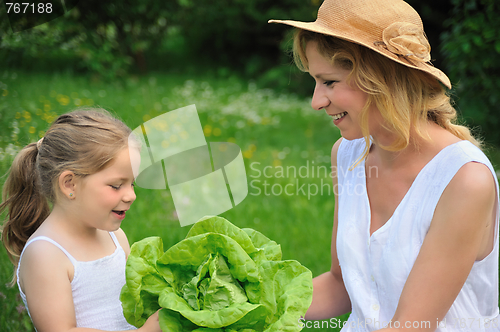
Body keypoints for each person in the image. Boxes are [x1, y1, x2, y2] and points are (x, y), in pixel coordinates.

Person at [269, 0, 500, 331]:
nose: (316, 101)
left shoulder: (464, 181)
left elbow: (411, 326)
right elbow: (341, 287)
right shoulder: (348, 154)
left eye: (329, 82)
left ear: (381, 79)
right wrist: (239, 307)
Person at [0, 109, 161, 332]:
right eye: (116, 185)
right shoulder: (45, 254)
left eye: (131, 184)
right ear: (69, 184)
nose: (131, 195)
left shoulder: (115, 238)